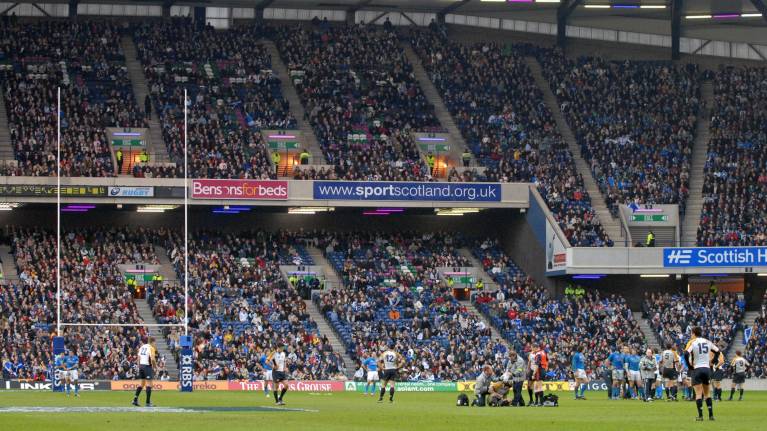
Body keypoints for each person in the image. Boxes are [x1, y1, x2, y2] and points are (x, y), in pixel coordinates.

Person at [685, 326, 722, 421]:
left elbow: (686, 353)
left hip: (697, 369)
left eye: (691, 333)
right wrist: (712, 361)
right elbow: (718, 352)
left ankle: (700, 416)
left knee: (698, 394)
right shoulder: (708, 342)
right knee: (707, 393)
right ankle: (711, 415)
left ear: (693, 333)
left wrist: (689, 366)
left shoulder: (693, 343)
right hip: (706, 369)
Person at [132, 336, 156, 407]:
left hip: (141, 366)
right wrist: (155, 367)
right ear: (152, 342)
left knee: (142, 384)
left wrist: (139, 366)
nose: (155, 344)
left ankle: (135, 399)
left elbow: (138, 358)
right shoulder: (151, 348)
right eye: (155, 342)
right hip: (147, 366)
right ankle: (148, 402)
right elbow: (153, 359)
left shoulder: (142, 347)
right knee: (149, 384)